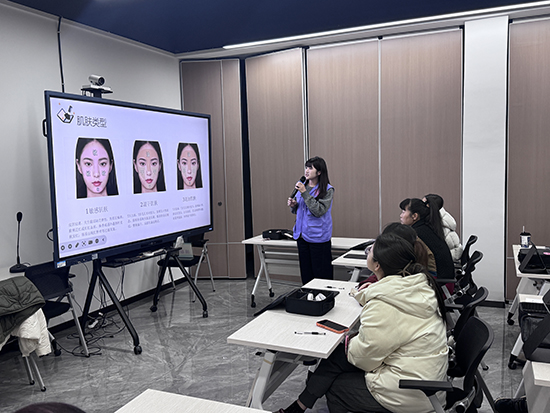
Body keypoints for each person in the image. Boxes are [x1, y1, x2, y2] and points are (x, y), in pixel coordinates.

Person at [275, 233, 449, 413]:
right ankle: (299, 406)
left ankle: (302, 404)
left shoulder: (385, 303)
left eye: (370, 250)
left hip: (410, 392)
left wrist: (350, 341)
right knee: (338, 355)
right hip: (421, 376)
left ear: (377, 265)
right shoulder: (415, 287)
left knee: (336, 387)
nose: (367, 252)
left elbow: (364, 358)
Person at [288, 156, 334, 284]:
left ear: (319, 172)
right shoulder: (302, 187)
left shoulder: (327, 190)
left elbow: (318, 211)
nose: (307, 171)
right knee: (306, 273)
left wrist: (304, 193)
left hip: (318, 237)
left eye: (310, 168)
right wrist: (294, 206)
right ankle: (308, 295)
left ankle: (322, 296)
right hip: (302, 236)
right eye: (306, 167)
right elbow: (301, 211)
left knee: (321, 274)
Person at [399, 197, 455, 280]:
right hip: (445, 279)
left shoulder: (417, 234)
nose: (401, 216)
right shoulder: (425, 228)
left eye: (403, 212)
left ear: (414, 216)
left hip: (439, 282)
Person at [424, 193, 463, 261]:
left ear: (428, 206)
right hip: (448, 256)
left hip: (450, 257)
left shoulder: (441, 225)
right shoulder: (440, 218)